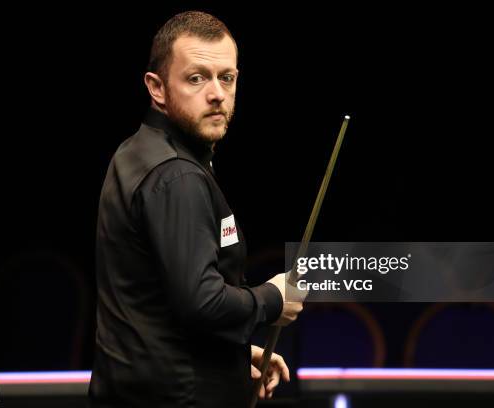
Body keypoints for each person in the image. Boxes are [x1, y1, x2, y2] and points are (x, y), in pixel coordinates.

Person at [89, 11, 303, 407]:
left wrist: (232, 358)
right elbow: (202, 301)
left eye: (227, 77)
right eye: (196, 78)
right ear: (156, 87)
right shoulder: (176, 176)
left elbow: (153, 303)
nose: (217, 93)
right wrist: (273, 299)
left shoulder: (136, 151)